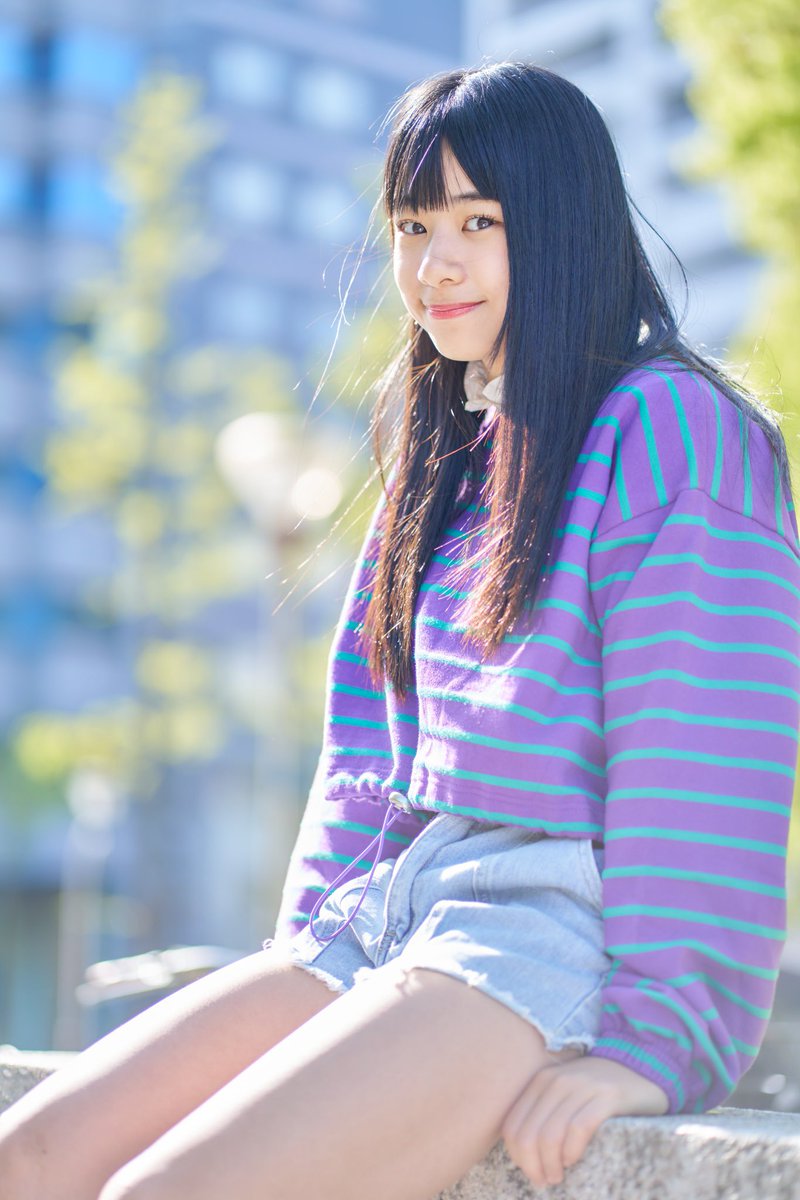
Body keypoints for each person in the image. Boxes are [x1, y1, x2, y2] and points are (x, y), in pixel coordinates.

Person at [2, 61, 798, 1200]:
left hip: (547, 928)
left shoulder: (674, 429)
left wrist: (654, 1039)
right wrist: (308, 954)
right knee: (29, 1156)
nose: (435, 265)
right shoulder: (451, 448)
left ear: (563, 220)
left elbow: (703, 753)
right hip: (391, 909)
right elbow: (368, 751)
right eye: (413, 226)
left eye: (479, 221)